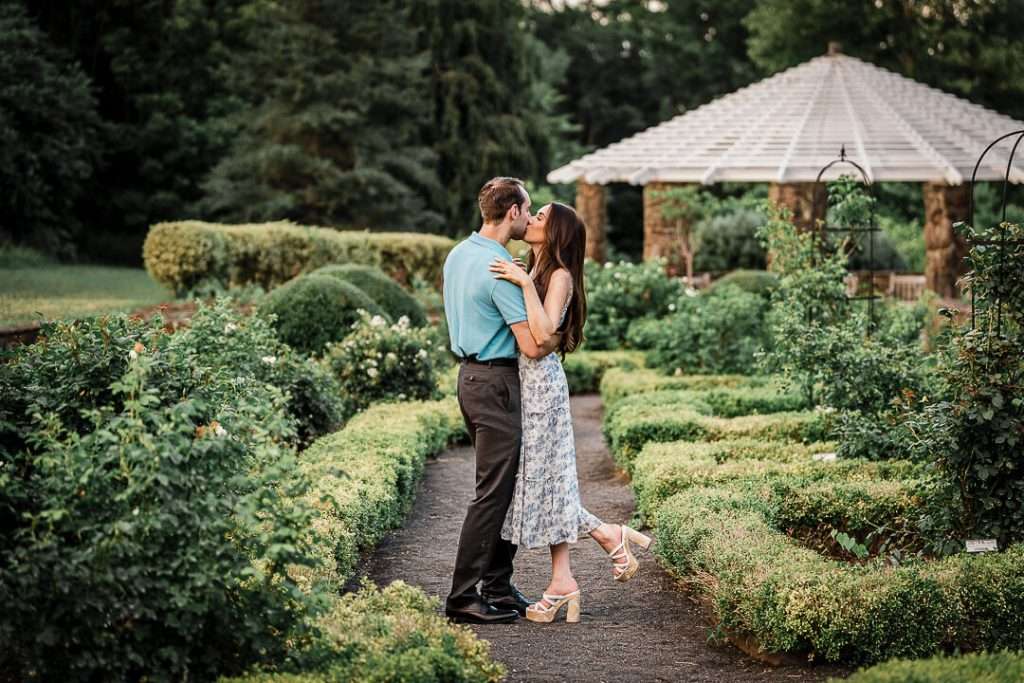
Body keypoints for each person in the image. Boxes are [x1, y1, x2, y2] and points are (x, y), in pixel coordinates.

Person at [488, 201, 652, 625]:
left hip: (542, 389)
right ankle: (574, 567)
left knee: (545, 484)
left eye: (541, 217)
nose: (533, 220)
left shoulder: (557, 276)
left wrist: (524, 284)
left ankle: (595, 550)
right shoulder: (535, 267)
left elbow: (543, 335)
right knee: (545, 484)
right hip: (527, 385)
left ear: (556, 232)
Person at [442, 177, 556, 624]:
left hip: (470, 379)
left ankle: (497, 585)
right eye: (527, 212)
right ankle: (463, 597)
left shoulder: (459, 254)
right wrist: (555, 328)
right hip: (497, 384)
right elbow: (532, 346)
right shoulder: (500, 270)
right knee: (492, 494)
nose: (530, 219)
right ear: (513, 213)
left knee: (505, 487)